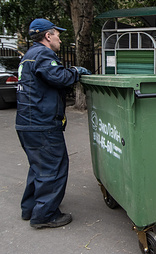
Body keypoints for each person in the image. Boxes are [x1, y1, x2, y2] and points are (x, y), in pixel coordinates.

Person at [16, 18, 91, 229]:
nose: (60, 38)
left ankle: (30, 208)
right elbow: (58, 77)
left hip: (27, 123)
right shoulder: (43, 54)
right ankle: (45, 215)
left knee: (39, 167)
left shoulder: (28, 56)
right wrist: (76, 72)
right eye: (57, 34)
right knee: (53, 168)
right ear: (48, 36)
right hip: (42, 124)